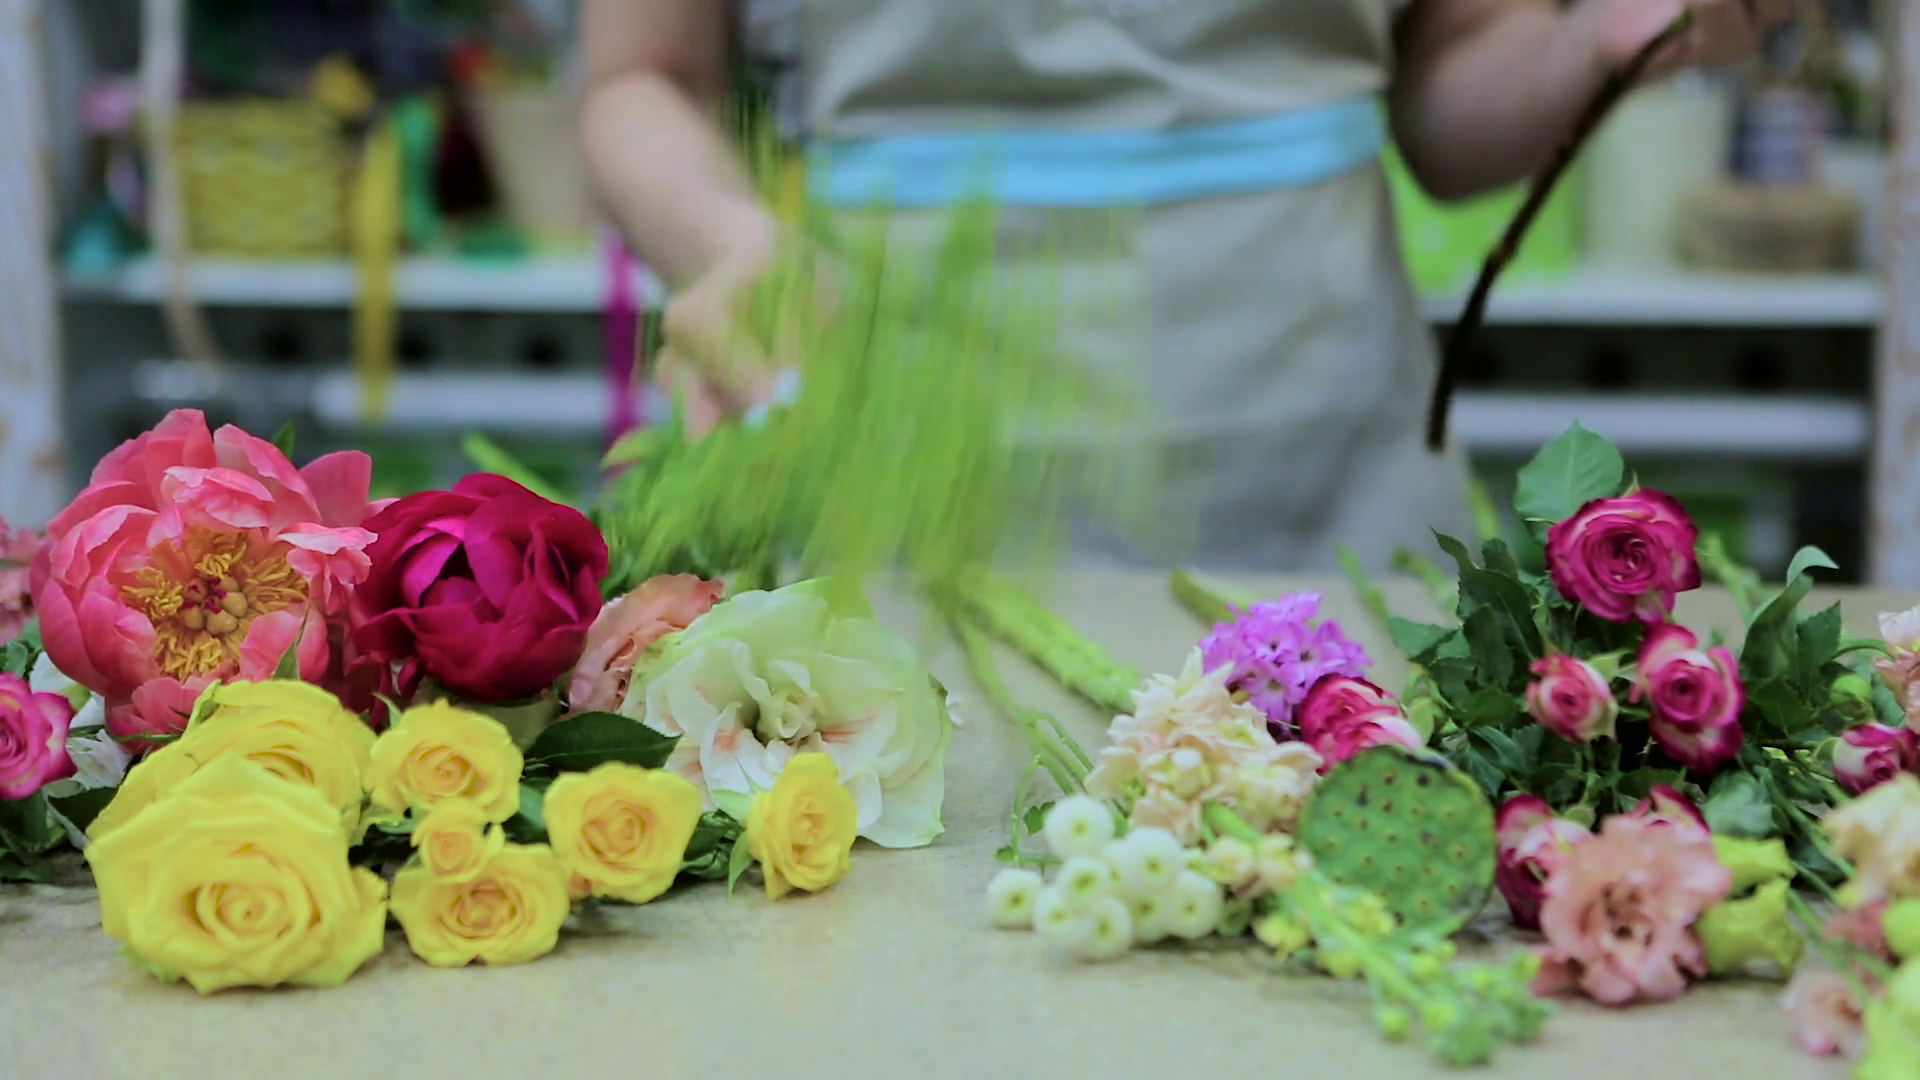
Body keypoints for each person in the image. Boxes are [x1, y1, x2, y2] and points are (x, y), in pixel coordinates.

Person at [577, 0, 1786, 571]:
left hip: (1321, 441)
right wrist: (731, 238)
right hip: (891, 424)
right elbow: (640, 79)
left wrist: (1595, 46)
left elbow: (1447, 87)